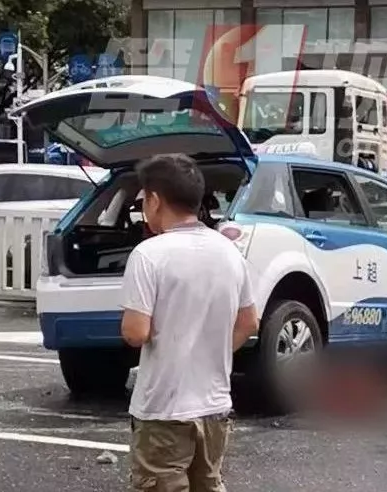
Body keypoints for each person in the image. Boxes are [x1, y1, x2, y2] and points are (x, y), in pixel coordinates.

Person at [120, 153, 259, 491]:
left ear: (155, 200)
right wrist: (207, 350)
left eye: (143, 200)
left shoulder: (149, 254)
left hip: (163, 409)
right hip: (214, 408)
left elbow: (135, 332)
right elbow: (249, 322)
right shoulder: (229, 252)